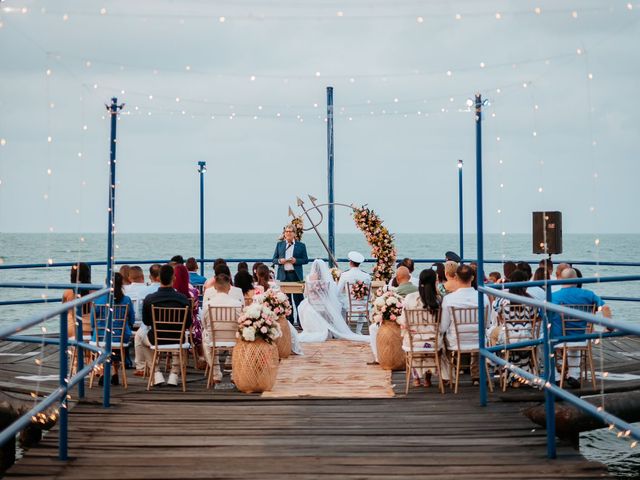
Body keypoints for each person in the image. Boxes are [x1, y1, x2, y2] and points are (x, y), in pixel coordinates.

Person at [549, 268, 611, 388]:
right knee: (574, 345)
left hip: (559, 340)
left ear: (560, 280)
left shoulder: (553, 297)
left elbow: (543, 316)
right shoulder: (588, 294)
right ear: (577, 280)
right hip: (581, 338)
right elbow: (606, 308)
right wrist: (609, 327)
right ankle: (573, 375)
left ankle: (556, 377)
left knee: (543, 343)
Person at [138, 264, 192, 387]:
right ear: (174, 278)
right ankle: (174, 373)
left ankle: (156, 372)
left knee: (141, 338)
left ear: (158, 278)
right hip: (177, 338)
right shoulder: (183, 299)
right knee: (181, 341)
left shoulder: (150, 299)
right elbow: (188, 323)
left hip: (156, 339)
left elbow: (146, 322)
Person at [439, 264, 490, 386]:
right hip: (479, 341)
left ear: (456, 277)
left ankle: (451, 373)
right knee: (479, 336)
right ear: (472, 278)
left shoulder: (449, 299)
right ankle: (477, 375)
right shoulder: (483, 297)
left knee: (442, 339)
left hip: (456, 341)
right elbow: (487, 324)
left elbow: (443, 327)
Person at [397, 269, 448, 387]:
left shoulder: (410, 298)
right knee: (437, 344)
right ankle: (428, 379)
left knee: (411, 339)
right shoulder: (438, 300)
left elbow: (404, 321)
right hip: (433, 342)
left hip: (414, 342)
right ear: (434, 282)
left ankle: (416, 378)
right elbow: (441, 325)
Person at [297, 259, 369, 343]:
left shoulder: (309, 277)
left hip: (312, 303)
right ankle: (333, 329)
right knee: (336, 306)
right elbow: (331, 294)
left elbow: (306, 293)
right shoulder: (326, 278)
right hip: (323, 303)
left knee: (301, 306)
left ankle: (312, 329)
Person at [490, 270, 537, 387]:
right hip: (527, 338)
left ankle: (501, 369)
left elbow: (497, 313)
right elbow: (534, 317)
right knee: (521, 342)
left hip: (508, 338)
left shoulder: (502, 299)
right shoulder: (531, 300)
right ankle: (525, 373)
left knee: (492, 335)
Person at [92, 272, 135, 386]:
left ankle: (101, 373)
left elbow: (93, 321)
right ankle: (115, 372)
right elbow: (132, 320)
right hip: (119, 336)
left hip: (101, 336)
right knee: (117, 341)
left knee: (103, 344)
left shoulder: (98, 300)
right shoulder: (126, 300)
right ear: (121, 284)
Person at [201, 273, 243, 383]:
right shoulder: (237, 304)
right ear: (229, 286)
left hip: (213, 339)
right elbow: (241, 323)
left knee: (205, 339)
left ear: (214, 287)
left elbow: (204, 324)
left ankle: (216, 373)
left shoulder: (207, 305)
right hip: (233, 339)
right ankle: (234, 373)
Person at [272, 224, 309, 325]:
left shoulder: (301, 245)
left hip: (296, 276)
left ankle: (302, 323)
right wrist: (280, 261)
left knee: (299, 301)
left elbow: (306, 260)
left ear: (294, 233)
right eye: (286, 231)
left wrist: (296, 260)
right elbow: (274, 259)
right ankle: (289, 323)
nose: (288, 233)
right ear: (284, 233)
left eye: (290, 231)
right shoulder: (279, 245)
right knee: (286, 301)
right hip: (283, 276)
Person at [62, 262, 93, 340]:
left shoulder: (67, 293)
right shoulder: (97, 292)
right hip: (92, 329)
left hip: (73, 330)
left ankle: (74, 350)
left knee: (68, 313)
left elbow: (63, 310)